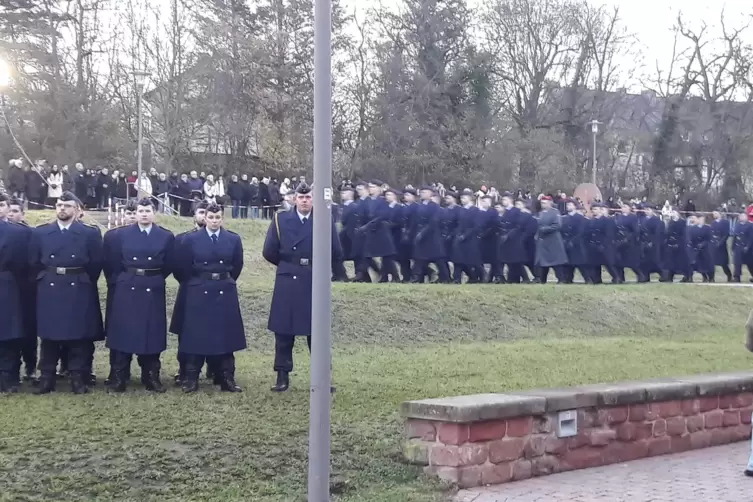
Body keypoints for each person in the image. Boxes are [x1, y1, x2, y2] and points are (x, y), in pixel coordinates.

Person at [262, 183, 342, 392]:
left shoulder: (324, 219)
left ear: (313, 199)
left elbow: (335, 250)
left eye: (308, 198)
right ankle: (282, 376)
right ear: (294, 199)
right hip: (288, 278)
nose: (304, 201)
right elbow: (269, 251)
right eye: (301, 197)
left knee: (317, 333)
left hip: (313, 278)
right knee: (283, 331)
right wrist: (289, 264)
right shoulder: (281, 219)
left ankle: (323, 379)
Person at [29, 191, 104, 394]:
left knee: (78, 336)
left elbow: (96, 263)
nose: (62, 209)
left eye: (67, 205)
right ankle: (46, 378)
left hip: (78, 284)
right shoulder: (41, 232)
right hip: (50, 286)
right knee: (49, 336)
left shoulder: (89, 233)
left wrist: (83, 280)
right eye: (59, 205)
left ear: (77, 209)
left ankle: (78, 378)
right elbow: (34, 262)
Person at [104, 199, 175, 392]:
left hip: (152, 286)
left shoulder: (165, 236)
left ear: (155, 213)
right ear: (135, 213)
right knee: (123, 331)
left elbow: (169, 264)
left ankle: (151, 376)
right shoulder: (121, 235)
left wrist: (153, 277)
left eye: (148, 211)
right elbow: (112, 264)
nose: (144, 214)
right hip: (127, 286)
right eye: (140, 211)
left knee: (151, 333)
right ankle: (119, 377)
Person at [176, 203, 245, 393]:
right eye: (211, 217)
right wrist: (198, 283)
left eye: (218, 218)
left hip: (224, 289)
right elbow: (183, 267)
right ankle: (191, 378)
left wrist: (224, 280)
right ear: (204, 218)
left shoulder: (233, 239)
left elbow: (237, 265)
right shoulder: (191, 239)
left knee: (225, 336)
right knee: (196, 336)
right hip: (199, 289)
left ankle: (226, 378)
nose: (214, 221)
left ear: (222, 218)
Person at [170, 200, 209, 385]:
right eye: (201, 212)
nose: (204, 216)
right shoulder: (182, 239)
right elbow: (178, 267)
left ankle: (216, 369)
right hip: (189, 290)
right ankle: (184, 368)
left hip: (215, 291)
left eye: (207, 212)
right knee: (186, 331)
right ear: (195, 215)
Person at [6, 197, 37, 382]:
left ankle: (30, 365)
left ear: (22, 214)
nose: (11, 214)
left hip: (24, 287)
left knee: (27, 329)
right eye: (10, 210)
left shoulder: (28, 234)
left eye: (15, 211)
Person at [0, 194, 28, 392]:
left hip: (7, 283)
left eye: (1, 205)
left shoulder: (18, 233)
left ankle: (9, 377)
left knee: (7, 332)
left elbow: (23, 262)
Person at [534, 195, 568, 283]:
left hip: (553, 241)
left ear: (550, 203)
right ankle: (542, 280)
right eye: (541, 203)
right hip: (543, 241)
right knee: (543, 263)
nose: (542, 204)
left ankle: (561, 279)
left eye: (544, 203)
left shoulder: (555, 212)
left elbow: (557, 225)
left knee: (556, 262)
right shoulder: (540, 213)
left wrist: (545, 229)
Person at [710, 209, 732, 282]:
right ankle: (711, 278)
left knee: (723, 263)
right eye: (713, 213)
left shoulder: (725, 222)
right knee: (712, 262)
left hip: (721, 246)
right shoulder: (713, 223)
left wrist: (720, 242)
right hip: (714, 245)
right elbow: (712, 233)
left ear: (719, 214)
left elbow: (726, 234)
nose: (714, 215)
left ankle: (729, 276)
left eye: (715, 213)